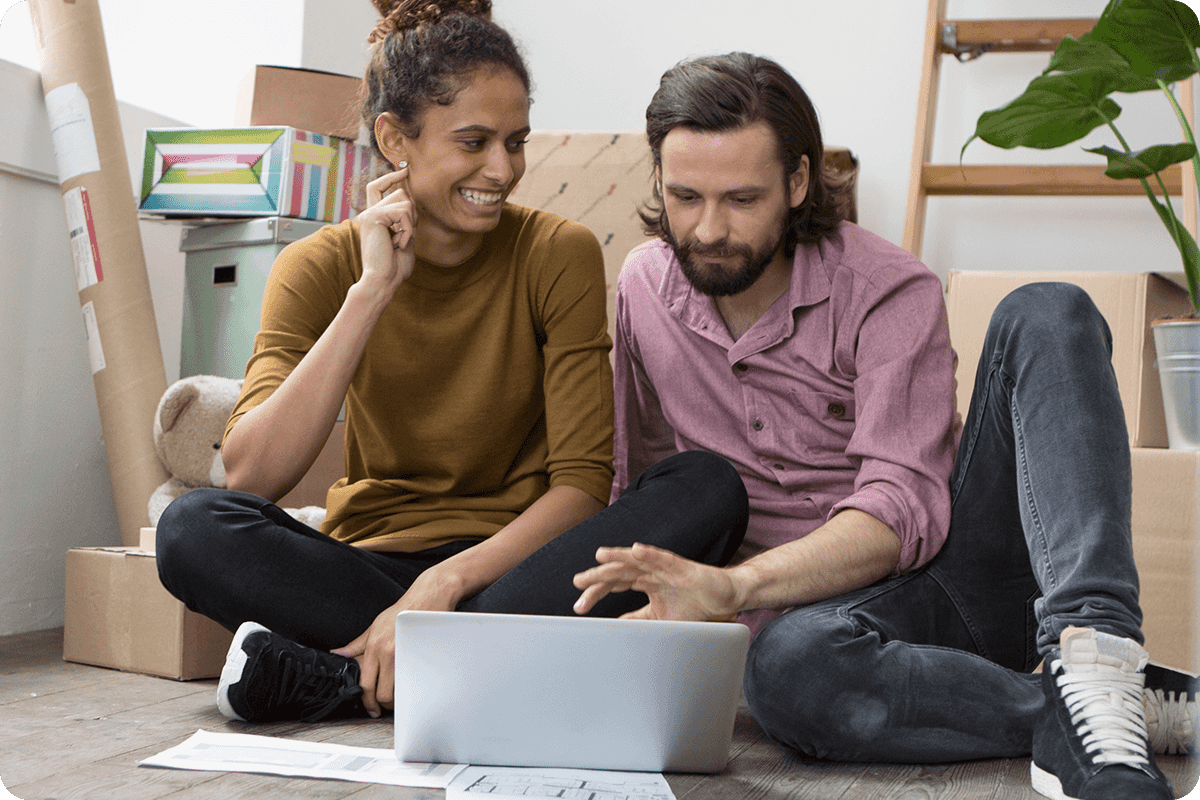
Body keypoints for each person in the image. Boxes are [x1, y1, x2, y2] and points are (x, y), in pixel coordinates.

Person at [571, 52, 1197, 800]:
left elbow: (899, 509)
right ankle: (1088, 713)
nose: (708, 229)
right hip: (820, 633)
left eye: (741, 198)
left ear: (797, 182)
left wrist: (734, 587)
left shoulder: (886, 288)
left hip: (958, 572)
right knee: (789, 671)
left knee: (1049, 310)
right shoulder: (643, 286)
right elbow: (645, 482)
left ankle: (1096, 660)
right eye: (685, 197)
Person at [154, 1, 747, 726]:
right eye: (474, 142)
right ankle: (471, 671)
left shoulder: (555, 252)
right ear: (394, 138)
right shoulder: (318, 267)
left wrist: (443, 585)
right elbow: (253, 475)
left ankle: (348, 679)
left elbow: (584, 485)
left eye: (516, 141)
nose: (502, 170)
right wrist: (371, 293)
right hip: (370, 569)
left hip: (524, 566)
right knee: (191, 529)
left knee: (706, 486)